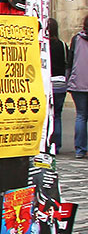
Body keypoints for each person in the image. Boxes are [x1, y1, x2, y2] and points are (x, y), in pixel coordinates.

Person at [66, 14, 88, 158]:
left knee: (81, 116)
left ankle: (80, 149)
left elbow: (70, 60)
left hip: (79, 82)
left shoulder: (77, 39)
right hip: (79, 83)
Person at [48, 17, 68, 150]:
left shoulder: (44, 44)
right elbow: (67, 63)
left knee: (49, 115)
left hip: (49, 83)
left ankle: (49, 142)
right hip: (61, 83)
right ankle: (58, 145)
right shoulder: (62, 45)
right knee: (58, 116)